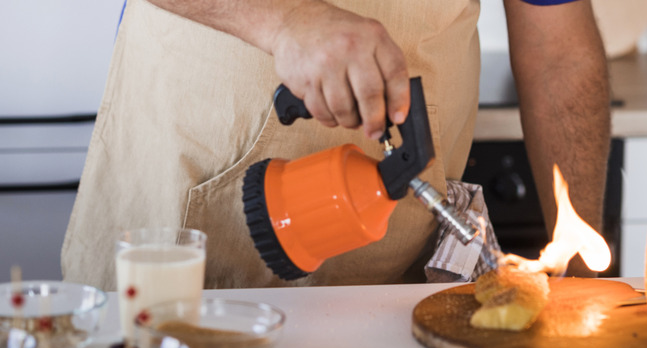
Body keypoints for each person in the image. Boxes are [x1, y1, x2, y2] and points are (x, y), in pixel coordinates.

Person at [61, 0, 611, 292]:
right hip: (177, 228)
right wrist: (282, 19)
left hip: (397, 272)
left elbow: (558, 53)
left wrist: (584, 284)